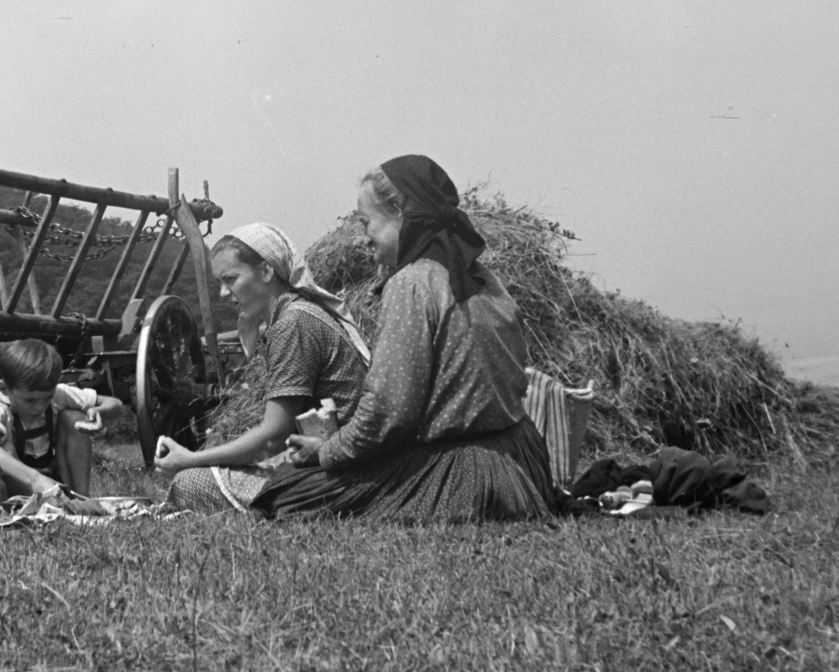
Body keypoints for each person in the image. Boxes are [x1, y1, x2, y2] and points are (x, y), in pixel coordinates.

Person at [251, 155, 554, 523]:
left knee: (286, 491)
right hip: (521, 460)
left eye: (367, 223)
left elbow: (388, 414)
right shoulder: (484, 278)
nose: (363, 240)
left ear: (399, 212)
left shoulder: (411, 282)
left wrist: (327, 450)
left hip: (467, 473)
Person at [155, 223, 370, 512]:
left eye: (230, 279)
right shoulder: (297, 314)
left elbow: (273, 438)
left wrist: (190, 459)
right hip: (332, 458)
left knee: (190, 482)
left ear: (267, 272)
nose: (222, 293)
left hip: (341, 470)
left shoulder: (292, 324)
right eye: (220, 282)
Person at [0, 338, 124, 498]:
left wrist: (100, 411)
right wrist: (34, 479)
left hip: (52, 480)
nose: (40, 407)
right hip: (17, 483)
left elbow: (115, 404)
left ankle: (80, 499)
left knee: (73, 418)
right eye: (30, 400)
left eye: (47, 397)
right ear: (4, 389)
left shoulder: (59, 395)